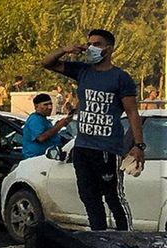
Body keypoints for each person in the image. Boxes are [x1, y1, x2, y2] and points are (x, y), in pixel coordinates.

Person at [42, 28, 145, 231]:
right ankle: (99, 236)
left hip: (107, 149)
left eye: (96, 44)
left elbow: (133, 113)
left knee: (113, 196)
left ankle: (126, 239)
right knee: (89, 197)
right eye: (89, 43)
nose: (91, 48)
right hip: (83, 147)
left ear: (109, 48)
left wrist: (138, 145)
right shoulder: (82, 70)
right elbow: (47, 63)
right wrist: (66, 49)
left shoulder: (120, 77)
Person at [22, 92, 72, 158]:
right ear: (36, 106)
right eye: (45, 105)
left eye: (51, 104)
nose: (50, 107)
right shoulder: (35, 119)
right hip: (36, 159)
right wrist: (59, 125)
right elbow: (41, 137)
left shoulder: (44, 119)